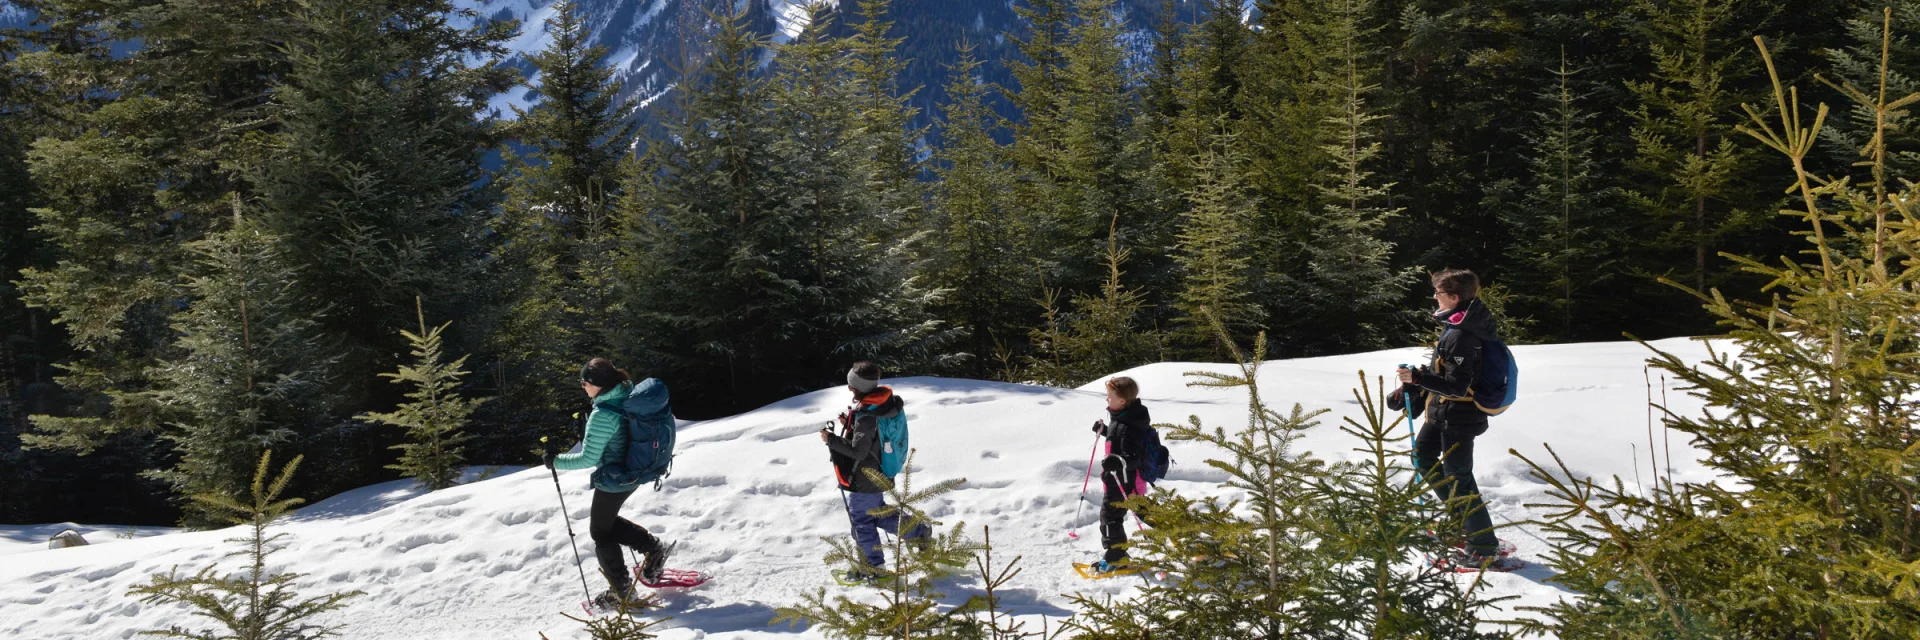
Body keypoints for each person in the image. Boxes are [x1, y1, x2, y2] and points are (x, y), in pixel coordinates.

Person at [1389, 269, 1502, 560]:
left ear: (1453, 298)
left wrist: (1417, 379)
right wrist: (1418, 379)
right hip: (1441, 411)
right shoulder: (1454, 324)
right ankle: (1462, 522)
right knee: (1422, 457)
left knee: (1459, 476)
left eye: (1438, 294)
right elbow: (1447, 372)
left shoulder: (1463, 335)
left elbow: (1457, 386)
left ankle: (1483, 547)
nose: (1434, 298)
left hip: (1460, 417)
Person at [546, 358, 673, 608]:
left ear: (598, 384)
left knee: (600, 532)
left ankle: (622, 591)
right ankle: (653, 549)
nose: (582, 385)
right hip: (634, 470)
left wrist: (555, 461)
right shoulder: (626, 392)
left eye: (584, 382)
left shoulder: (603, 415)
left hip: (616, 478)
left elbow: (588, 458)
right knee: (606, 524)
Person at [819, 361, 927, 583]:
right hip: (881, 472)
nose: (849, 389)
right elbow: (872, 436)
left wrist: (831, 439)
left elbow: (858, 451)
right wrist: (850, 422)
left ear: (860, 387)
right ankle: (917, 531)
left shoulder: (867, 415)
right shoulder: (882, 404)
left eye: (852, 385)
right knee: (876, 513)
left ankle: (873, 567)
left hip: (865, 477)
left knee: (861, 521)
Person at [1089, 376, 1150, 573]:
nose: (1107, 400)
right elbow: (1120, 439)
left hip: (1123, 481)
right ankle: (1185, 533)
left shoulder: (1128, 425)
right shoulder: (1124, 417)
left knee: (1110, 517)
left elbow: (1133, 455)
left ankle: (1117, 556)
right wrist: (1105, 430)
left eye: (1110, 396)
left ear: (1122, 400)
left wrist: (1118, 461)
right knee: (1145, 511)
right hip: (1125, 480)